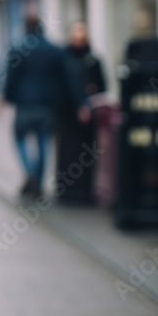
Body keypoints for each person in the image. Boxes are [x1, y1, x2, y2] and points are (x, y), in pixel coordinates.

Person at [3, 15, 87, 196]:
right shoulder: (54, 51)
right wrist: (81, 102)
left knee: (19, 139)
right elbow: (69, 78)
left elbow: (11, 79)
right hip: (47, 105)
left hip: (24, 104)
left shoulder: (18, 50)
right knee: (43, 142)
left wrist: (7, 98)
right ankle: (38, 182)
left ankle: (30, 172)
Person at [56, 21, 106, 203]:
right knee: (68, 152)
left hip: (89, 116)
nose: (79, 37)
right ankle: (68, 189)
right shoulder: (64, 59)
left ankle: (85, 190)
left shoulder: (92, 60)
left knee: (85, 154)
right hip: (68, 115)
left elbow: (102, 86)